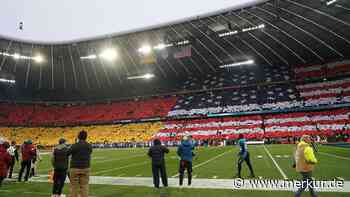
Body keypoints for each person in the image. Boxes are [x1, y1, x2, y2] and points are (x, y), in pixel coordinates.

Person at [68, 131, 93, 197]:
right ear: (86, 137)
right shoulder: (89, 145)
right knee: (84, 186)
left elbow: (68, 153)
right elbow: (90, 152)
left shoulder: (75, 145)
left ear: (78, 137)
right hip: (85, 167)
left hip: (75, 168)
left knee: (74, 187)